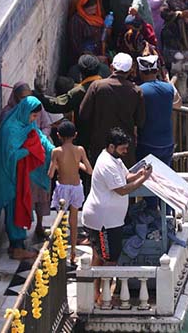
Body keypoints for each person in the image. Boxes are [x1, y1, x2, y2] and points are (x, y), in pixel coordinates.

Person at [82, 127, 151, 299]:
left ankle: (97, 293)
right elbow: (122, 190)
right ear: (112, 147)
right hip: (103, 221)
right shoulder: (106, 164)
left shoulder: (115, 159)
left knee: (100, 255)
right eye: (123, 149)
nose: (126, 151)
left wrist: (139, 174)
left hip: (110, 220)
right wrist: (144, 179)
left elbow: (126, 176)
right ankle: (101, 296)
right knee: (108, 259)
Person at [0, 96, 54, 260]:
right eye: (33, 116)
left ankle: (16, 245)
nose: (34, 119)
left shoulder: (27, 124)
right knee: (15, 208)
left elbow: (39, 137)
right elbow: (10, 155)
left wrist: (53, 151)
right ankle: (17, 247)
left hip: (19, 173)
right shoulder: (10, 129)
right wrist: (29, 150)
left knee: (20, 204)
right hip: (7, 174)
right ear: (25, 112)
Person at [78, 53, 146, 168]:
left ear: (111, 67)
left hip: (100, 145)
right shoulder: (136, 91)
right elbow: (140, 121)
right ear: (130, 71)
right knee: (124, 182)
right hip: (125, 149)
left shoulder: (97, 86)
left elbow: (83, 114)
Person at [47, 120, 93, 263]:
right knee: (74, 221)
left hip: (62, 188)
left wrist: (58, 166)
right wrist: (76, 164)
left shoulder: (56, 151)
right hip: (76, 187)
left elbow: (50, 173)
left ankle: (58, 251)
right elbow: (89, 170)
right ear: (75, 135)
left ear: (58, 135)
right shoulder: (80, 150)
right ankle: (73, 252)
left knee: (60, 220)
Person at [136, 55, 182, 166]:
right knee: (165, 176)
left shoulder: (139, 90)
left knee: (148, 178)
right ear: (157, 71)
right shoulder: (169, 88)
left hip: (147, 142)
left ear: (140, 72)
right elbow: (178, 105)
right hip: (167, 143)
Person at [35, 55, 102, 122]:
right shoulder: (105, 86)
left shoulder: (80, 91)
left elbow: (55, 105)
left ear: (81, 73)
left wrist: (35, 95)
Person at [68, 0, 106, 65]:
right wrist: (94, 58)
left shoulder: (97, 17)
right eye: (90, 10)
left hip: (97, 54)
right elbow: (76, 44)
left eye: (95, 8)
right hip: (85, 60)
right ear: (82, 8)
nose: (93, 12)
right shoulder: (76, 21)